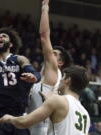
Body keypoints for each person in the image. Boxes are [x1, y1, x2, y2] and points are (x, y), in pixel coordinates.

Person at [0, 65, 91, 135]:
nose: (61, 80)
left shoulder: (57, 101)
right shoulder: (85, 114)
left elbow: (24, 122)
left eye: (63, 77)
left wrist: (10, 118)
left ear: (68, 80)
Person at [27, 0, 72, 135]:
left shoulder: (53, 70)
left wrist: (45, 8)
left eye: (55, 54)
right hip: (36, 125)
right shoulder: (46, 77)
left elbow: (44, 36)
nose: (50, 54)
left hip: (38, 128)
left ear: (59, 63)